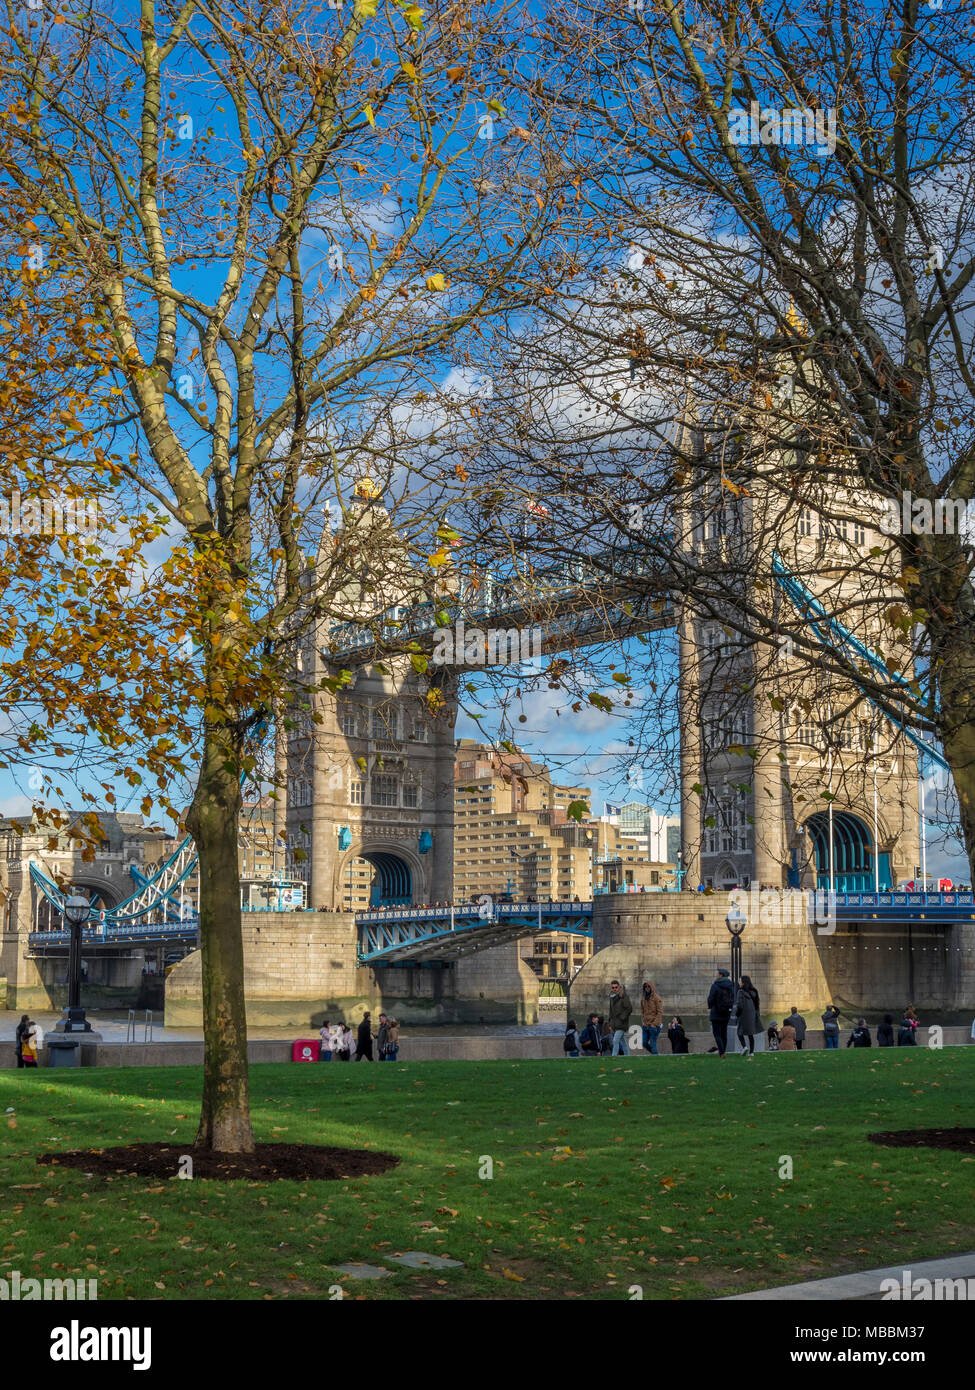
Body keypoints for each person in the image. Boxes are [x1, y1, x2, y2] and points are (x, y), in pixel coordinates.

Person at [707, 968, 735, 1057]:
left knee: (717, 1034)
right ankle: (723, 1051)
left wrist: (710, 1006)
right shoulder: (731, 986)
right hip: (726, 1012)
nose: (716, 975)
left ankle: (722, 1052)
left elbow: (711, 998)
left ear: (721, 975)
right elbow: (733, 998)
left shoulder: (715, 985)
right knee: (724, 1033)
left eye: (717, 973)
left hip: (716, 1013)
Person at [735, 974, 762, 1057]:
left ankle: (744, 1047)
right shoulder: (754, 991)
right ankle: (751, 1052)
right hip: (752, 1015)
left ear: (743, 983)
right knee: (751, 1034)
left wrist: (737, 1014)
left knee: (739, 1032)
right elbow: (757, 1005)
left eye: (740, 981)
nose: (739, 982)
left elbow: (739, 1005)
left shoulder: (740, 992)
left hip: (743, 1015)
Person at [608, 979, 632, 1056]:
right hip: (615, 1024)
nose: (614, 989)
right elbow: (611, 1011)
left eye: (616, 987)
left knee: (615, 1040)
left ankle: (613, 1057)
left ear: (619, 987)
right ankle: (628, 1056)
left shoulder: (624, 996)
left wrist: (622, 1018)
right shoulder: (611, 997)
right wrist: (610, 1023)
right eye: (613, 987)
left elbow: (629, 1008)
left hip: (621, 1024)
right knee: (623, 1041)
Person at [640, 980, 663, 1054]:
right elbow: (642, 1011)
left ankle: (655, 1056)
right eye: (645, 987)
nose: (647, 988)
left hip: (654, 1025)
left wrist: (654, 1024)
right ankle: (655, 1054)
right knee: (643, 1043)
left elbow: (660, 1012)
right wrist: (643, 1021)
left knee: (653, 1043)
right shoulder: (643, 998)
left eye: (648, 986)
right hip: (645, 1025)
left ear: (652, 987)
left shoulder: (657, 998)